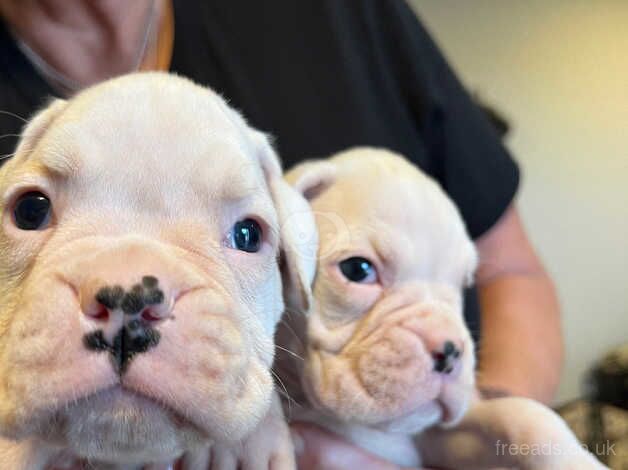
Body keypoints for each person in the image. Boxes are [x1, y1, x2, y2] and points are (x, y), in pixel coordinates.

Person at [0, 1, 563, 468]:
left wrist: (473, 440)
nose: (126, 300)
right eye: (32, 212)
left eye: (245, 233)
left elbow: (510, 269)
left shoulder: (337, 19)